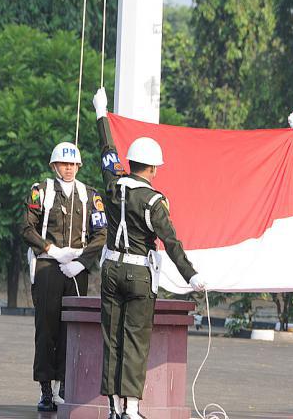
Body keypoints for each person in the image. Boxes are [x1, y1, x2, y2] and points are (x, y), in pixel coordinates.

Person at [93, 88, 205, 419]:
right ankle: (131, 408)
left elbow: (106, 151)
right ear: (153, 168)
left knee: (111, 338)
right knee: (135, 341)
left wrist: (102, 115)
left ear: (131, 163)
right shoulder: (155, 201)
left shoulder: (113, 184)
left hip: (111, 270)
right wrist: (191, 275)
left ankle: (112, 407)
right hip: (140, 274)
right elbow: (171, 242)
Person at [22, 142, 107, 412]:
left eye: (72, 164)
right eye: (63, 164)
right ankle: (46, 390)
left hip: (75, 271)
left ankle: (64, 387)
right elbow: (26, 227)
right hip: (48, 266)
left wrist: (81, 263)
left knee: (71, 330)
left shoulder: (89, 194)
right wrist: (51, 249)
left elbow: (101, 234)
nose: (68, 169)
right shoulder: (41, 191)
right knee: (46, 328)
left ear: (79, 166)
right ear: (54, 165)